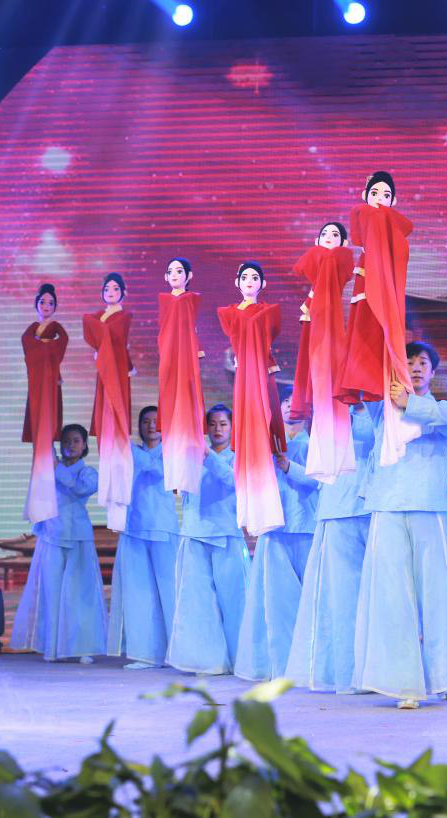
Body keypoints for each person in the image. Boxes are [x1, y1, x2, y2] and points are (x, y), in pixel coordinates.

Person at [352, 341, 447, 708]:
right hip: (387, 506)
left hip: (429, 507)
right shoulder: (381, 411)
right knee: (392, 596)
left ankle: (443, 675)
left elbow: (443, 420)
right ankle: (404, 683)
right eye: (409, 362)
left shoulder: (444, 410)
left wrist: (408, 402)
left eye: (423, 363)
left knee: (435, 594)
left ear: (433, 372)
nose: (416, 367)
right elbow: (359, 399)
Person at [285, 403, 375, 693]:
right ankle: (349, 674)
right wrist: (287, 466)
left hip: (376, 509)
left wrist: (362, 404)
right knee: (342, 600)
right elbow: (317, 475)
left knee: (379, 597)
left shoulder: (381, 409)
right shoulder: (329, 413)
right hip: (337, 511)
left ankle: (379, 672)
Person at [235, 388, 320, 682]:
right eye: (285, 401)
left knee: (308, 600)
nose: (290, 406)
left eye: (296, 402)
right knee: (275, 602)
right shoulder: (265, 447)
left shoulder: (316, 443)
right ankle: (279, 666)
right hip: (275, 530)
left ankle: (309, 664)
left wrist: (288, 466)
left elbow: (322, 481)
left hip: (307, 529)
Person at [337, 171, 420, 467]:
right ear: (365, 196)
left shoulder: (395, 233)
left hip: (385, 300)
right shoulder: (365, 220)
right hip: (367, 299)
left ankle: (401, 424)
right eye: (375, 194)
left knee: (390, 358)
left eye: (386, 195)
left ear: (394, 201)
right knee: (368, 362)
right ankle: (389, 433)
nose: (380, 200)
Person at [11, 424, 107, 663]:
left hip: (78, 539)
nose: (70, 445)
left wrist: (55, 467)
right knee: (51, 593)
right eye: (65, 441)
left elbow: (81, 488)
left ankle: (82, 648)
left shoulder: (88, 473)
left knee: (79, 594)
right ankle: (52, 648)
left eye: (75, 441)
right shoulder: (49, 469)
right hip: (52, 537)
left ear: (84, 445)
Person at [166, 405, 251, 675]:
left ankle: (241, 659)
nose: (217, 429)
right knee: (198, 601)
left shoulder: (237, 457)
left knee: (234, 600)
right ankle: (208, 661)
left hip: (226, 534)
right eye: (212, 424)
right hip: (194, 533)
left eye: (223, 424)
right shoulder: (192, 457)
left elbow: (234, 481)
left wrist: (207, 457)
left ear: (232, 427)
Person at [218, 261, 286, 536]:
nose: (249, 281)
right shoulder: (230, 313)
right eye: (244, 277)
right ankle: (248, 507)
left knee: (261, 429)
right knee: (247, 434)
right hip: (244, 378)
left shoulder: (268, 312)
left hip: (259, 373)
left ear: (263, 284)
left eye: (255, 277)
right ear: (237, 282)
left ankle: (265, 507)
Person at [107, 406, 178, 669]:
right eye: (146, 421)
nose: (151, 426)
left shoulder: (171, 452)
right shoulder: (129, 453)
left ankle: (176, 652)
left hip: (163, 529)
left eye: (156, 421)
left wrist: (127, 448)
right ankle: (145, 654)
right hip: (134, 529)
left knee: (169, 593)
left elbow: (158, 471)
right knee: (138, 594)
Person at [288, 222, 357, 483]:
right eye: (324, 234)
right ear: (317, 241)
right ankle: (323, 458)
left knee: (332, 389)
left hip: (332, 328)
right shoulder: (316, 259)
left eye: (335, 234)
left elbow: (336, 264)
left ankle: (335, 457)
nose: (329, 237)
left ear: (344, 243)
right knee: (319, 389)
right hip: (317, 329)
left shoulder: (340, 259)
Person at [83, 272, 134, 531]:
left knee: (118, 431)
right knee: (106, 434)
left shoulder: (123, 316)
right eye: (107, 289)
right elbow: (91, 326)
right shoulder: (99, 317)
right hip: (105, 374)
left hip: (117, 373)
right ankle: (110, 500)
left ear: (123, 292)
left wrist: (100, 339)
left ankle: (120, 502)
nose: (111, 292)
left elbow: (114, 339)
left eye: (115, 288)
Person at [158, 257, 207, 494]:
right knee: (170, 412)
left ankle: (187, 475)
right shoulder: (164, 300)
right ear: (166, 277)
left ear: (189, 276)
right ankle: (174, 477)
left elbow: (189, 330)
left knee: (186, 409)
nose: (175, 275)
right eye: (171, 271)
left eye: (179, 271)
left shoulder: (190, 299)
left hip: (184, 360)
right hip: (168, 361)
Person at [21, 283, 69, 525]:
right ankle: (38, 505)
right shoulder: (32, 330)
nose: (46, 306)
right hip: (37, 384)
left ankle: (48, 504)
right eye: (43, 302)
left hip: (50, 382)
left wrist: (47, 349)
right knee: (39, 433)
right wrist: (45, 347)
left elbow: (63, 341)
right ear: (36, 304)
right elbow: (28, 345)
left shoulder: (57, 329)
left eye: (51, 303)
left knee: (47, 436)